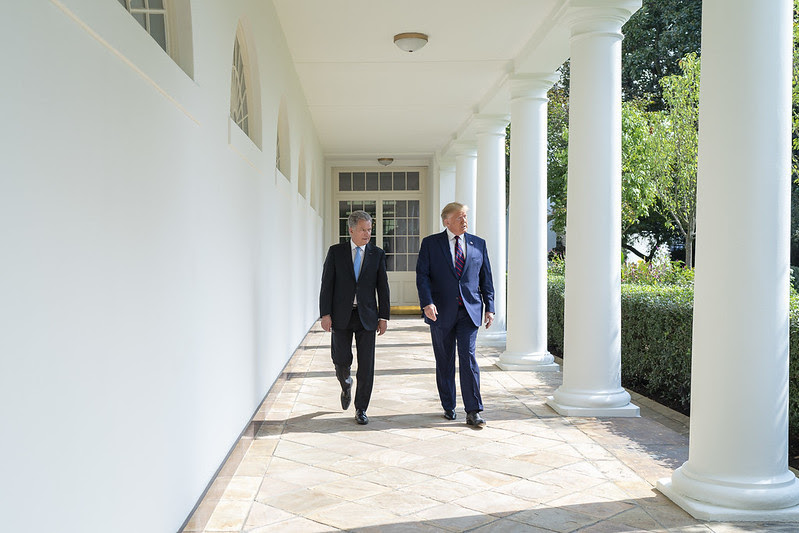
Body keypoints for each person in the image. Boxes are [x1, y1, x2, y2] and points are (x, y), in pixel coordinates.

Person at [416, 202, 495, 427]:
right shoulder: (431, 244)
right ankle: (448, 405)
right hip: (439, 313)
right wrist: (427, 303)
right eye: (459, 217)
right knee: (445, 361)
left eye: (465, 217)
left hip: (469, 311)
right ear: (446, 221)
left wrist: (490, 307)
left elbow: (486, 278)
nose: (464, 221)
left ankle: (473, 410)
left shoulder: (478, 244)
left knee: (468, 360)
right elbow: (422, 276)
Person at [319, 210, 390, 425]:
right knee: (340, 360)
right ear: (351, 230)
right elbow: (327, 285)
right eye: (363, 230)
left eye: (369, 230)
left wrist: (384, 316)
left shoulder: (377, 254)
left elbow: (383, 287)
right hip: (341, 315)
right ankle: (345, 382)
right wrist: (325, 314)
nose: (367, 234)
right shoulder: (336, 252)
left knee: (367, 365)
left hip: (367, 316)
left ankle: (361, 409)